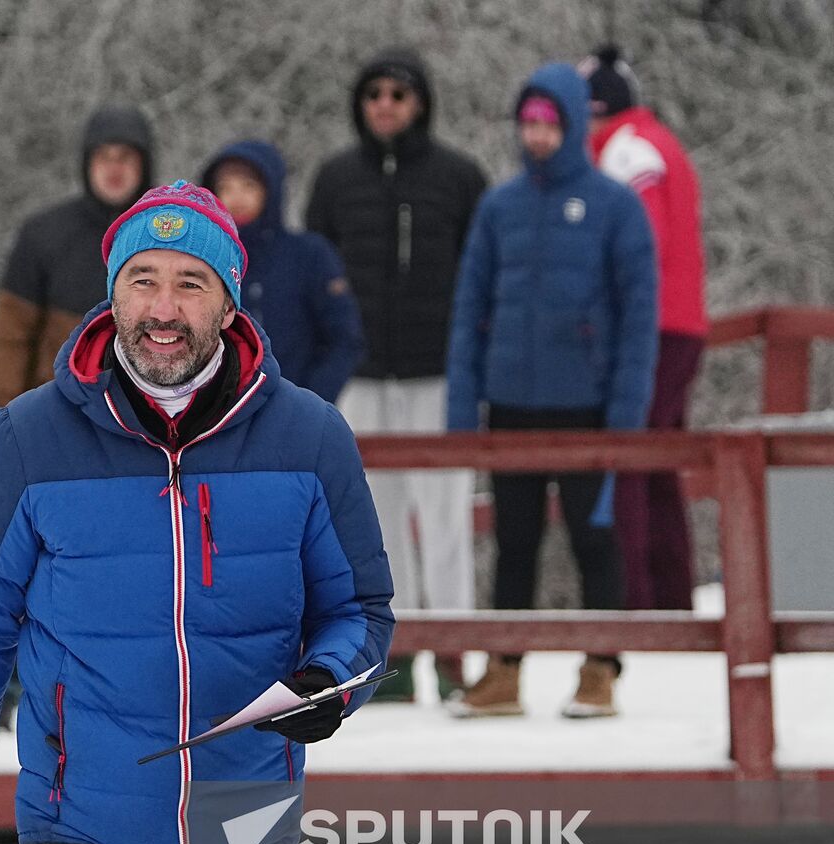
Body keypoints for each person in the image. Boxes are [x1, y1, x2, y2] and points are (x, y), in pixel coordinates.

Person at [0, 180, 395, 844]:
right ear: (113, 297)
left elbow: (361, 613)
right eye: (144, 279)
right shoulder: (26, 441)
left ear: (229, 304)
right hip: (81, 821)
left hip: (242, 812)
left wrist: (330, 684)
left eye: (190, 283)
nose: (163, 308)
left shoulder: (310, 437)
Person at [444, 63, 657, 719]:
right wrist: (463, 409)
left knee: (595, 540)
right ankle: (504, 670)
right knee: (514, 542)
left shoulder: (614, 205)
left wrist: (626, 412)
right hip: (511, 405)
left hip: (589, 407)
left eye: (549, 123)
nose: (536, 135)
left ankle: (601, 667)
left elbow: (638, 316)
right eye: (528, 123)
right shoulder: (499, 207)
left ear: (570, 126)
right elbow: (470, 308)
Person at [306, 48, 488, 703]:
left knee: (444, 516)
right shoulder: (334, 180)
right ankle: (394, 657)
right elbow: (315, 283)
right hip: (362, 375)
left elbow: (482, 280)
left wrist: (476, 368)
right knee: (373, 522)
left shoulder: (459, 177)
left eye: (398, 94)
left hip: (438, 372)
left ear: (420, 102)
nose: (384, 104)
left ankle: (453, 651)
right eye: (374, 93)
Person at [580, 44, 709, 611]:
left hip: (650, 329)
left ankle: (636, 605)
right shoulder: (657, 142)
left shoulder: (627, 155)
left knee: (627, 464)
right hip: (681, 324)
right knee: (658, 469)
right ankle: (671, 598)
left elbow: (636, 251)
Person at [0, 104, 154, 408]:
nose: (114, 168)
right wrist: (8, 418)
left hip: (146, 419)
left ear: (144, 164)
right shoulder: (43, 233)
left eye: (125, 157)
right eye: (104, 156)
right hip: (60, 413)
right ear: (87, 161)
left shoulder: (168, 235)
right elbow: (11, 339)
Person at [199, 140, 362, 403]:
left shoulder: (310, 255)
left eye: (248, 185)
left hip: (297, 411)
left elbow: (344, 338)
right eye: (225, 187)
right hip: (220, 417)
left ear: (271, 190)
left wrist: (312, 398)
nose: (237, 197)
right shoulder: (202, 261)